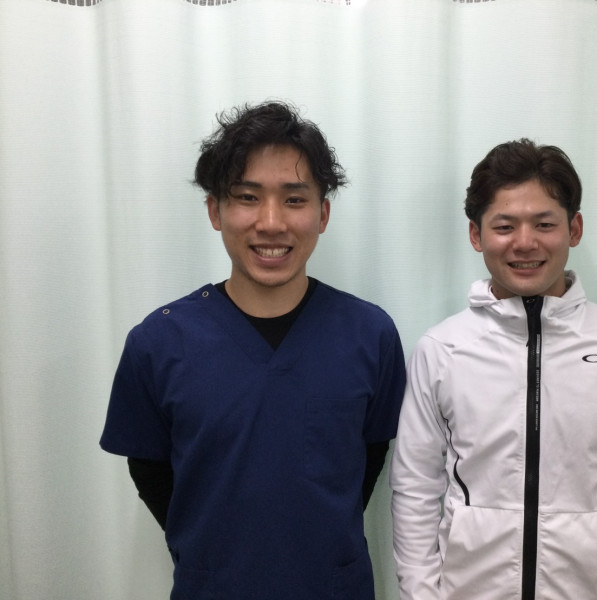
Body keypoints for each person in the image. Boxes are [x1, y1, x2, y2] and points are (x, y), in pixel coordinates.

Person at [100, 101, 406, 599]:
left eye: (294, 199)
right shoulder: (158, 342)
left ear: (323, 214)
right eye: (247, 197)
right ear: (214, 211)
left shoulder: (370, 334)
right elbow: (150, 469)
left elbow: (369, 458)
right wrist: (212, 548)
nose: (271, 222)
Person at [390, 139, 597, 600]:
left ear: (574, 229)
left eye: (544, 224)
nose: (524, 242)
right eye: (504, 226)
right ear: (476, 235)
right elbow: (415, 486)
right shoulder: (443, 349)